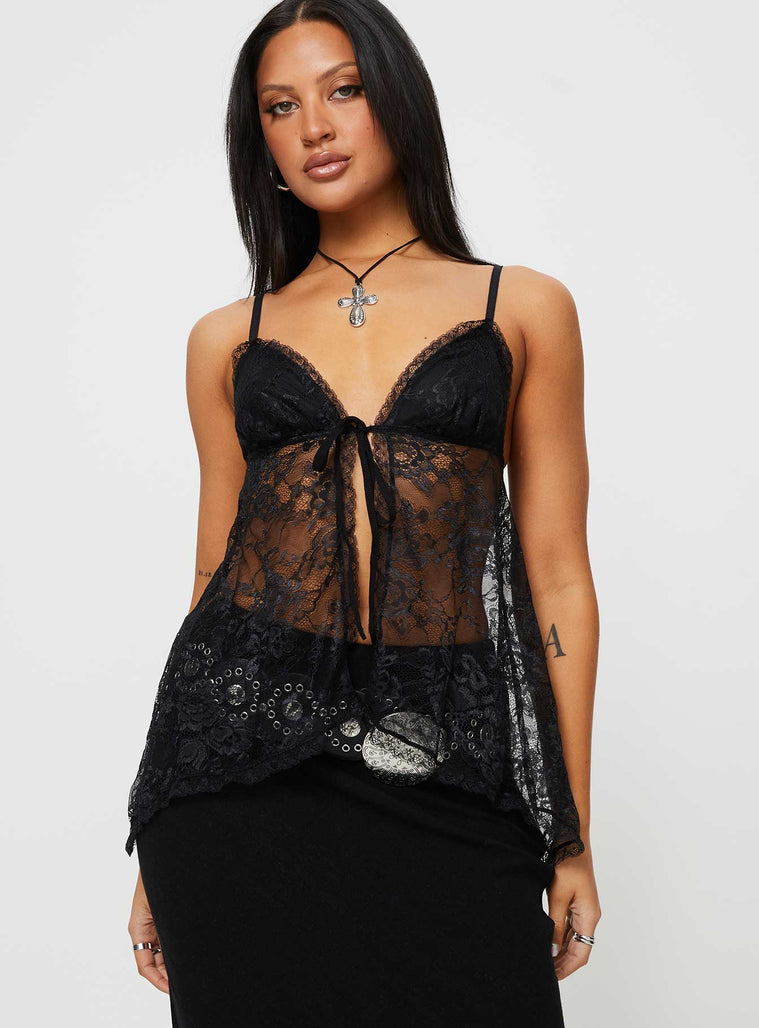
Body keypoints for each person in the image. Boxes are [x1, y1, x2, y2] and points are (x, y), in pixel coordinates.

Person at [126, 1, 602, 1024]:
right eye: (279, 107)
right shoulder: (226, 338)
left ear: (397, 99)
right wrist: (157, 829)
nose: (315, 126)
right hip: (238, 782)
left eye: (343, 89)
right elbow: (214, 576)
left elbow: (558, 575)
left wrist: (568, 830)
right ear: (259, 142)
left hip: (450, 763)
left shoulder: (521, 307)